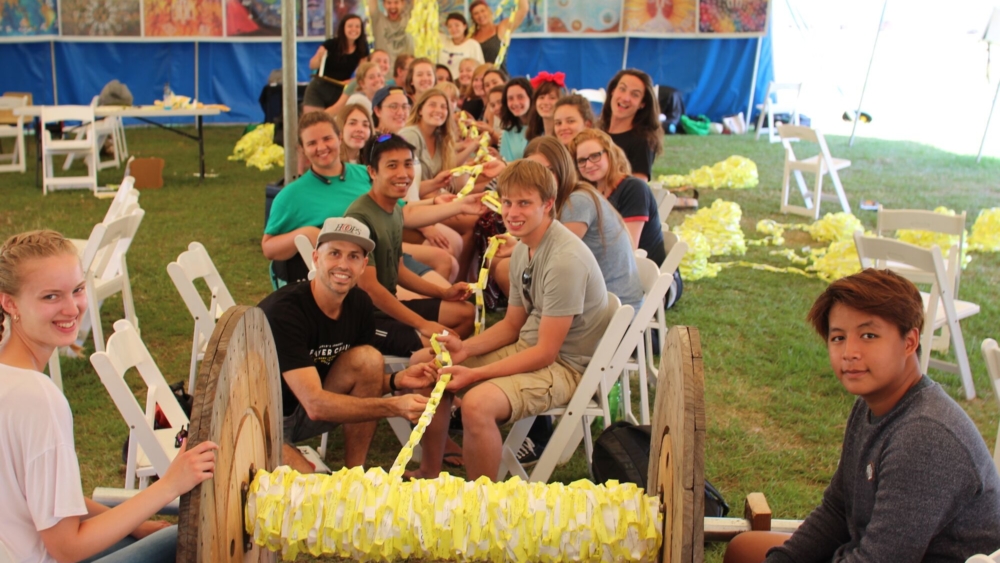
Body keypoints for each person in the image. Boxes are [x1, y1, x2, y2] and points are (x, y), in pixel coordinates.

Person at [725, 268, 1000, 563]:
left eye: (869, 335)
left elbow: (882, 559)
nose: (849, 352)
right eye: (838, 337)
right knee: (745, 548)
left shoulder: (925, 435)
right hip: (869, 549)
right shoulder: (871, 405)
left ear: (910, 342)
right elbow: (837, 509)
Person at [0, 229, 218, 563]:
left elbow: (46, 499)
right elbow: (67, 548)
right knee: (195, 537)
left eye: (77, 290)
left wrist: (138, 524)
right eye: (50, 297)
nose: (72, 308)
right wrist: (170, 485)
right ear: (9, 302)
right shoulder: (38, 399)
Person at [409, 159, 611, 482]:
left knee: (476, 404)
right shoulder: (523, 249)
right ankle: (429, 472)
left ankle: (484, 509)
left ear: (548, 205)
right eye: (506, 202)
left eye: (523, 203)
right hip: (530, 347)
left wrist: (477, 373)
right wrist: (462, 349)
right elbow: (511, 326)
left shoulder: (565, 261)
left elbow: (546, 353)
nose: (512, 212)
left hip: (565, 367)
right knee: (434, 364)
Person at [258, 218, 438, 474]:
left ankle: (354, 476)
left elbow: (363, 382)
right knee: (309, 494)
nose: (343, 264)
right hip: (261, 422)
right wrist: (393, 406)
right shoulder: (284, 313)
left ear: (364, 265)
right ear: (316, 258)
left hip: (303, 410)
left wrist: (399, 380)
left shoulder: (359, 303)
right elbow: (316, 405)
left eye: (354, 256)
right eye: (334, 253)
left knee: (368, 359)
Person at [346, 134, 477, 357]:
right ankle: (417, 383)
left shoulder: (394, 210)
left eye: (408, 164)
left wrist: (445, 292)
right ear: (372, 172)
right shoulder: (359, 218)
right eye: (392, 165)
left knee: (466, 314)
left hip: (388, 307)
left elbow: (399, 271)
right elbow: (370, 289)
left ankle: (429, 377)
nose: (403, 174)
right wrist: (423, 324)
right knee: (438, 343)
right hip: (364, 319)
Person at [263, 111, 373, 287]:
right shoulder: (291, 195)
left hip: (385, 257)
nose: (321, 147)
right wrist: (305, 233)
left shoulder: (366, 174)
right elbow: (268, 248)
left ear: (339, 137)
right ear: (302, 149)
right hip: (348, 278)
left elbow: (400, 210)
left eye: (327, 138)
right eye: (312, 143)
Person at [571, 128, 665, 266]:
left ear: (610, 154)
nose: (589, 164)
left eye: (595, 156)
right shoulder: (591, 193)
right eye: (582, 160)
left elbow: (627, 249)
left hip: (640, 278)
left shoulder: (634, 188)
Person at [600, 69, 663, 181]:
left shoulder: (642, 142)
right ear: (613, 91)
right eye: (622, 89)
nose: (625, 98)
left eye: (635, 95)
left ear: (642, 104)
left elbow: (637, 190)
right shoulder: (596, 131)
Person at [303, 15, 369, 115]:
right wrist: (319, 56)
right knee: (312, 120)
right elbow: (312, 65)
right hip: (320, 87)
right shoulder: (331, 44)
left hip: (342, 90)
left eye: (357, 26)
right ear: (343, 28)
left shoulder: (363, 47)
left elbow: (363, 72)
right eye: (350, 26)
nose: (354, 29)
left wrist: (350, 82)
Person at [468, 0, 528, 73]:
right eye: (476, 13)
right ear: (473, 17)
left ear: (489, 11)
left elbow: (523, 10)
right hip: (479, 81)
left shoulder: (502, 28)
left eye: (482, 11)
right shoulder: (471, 37)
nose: (480, 15)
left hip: (500, 79)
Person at [438, 13, 484, 81]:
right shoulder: (444, 40)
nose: (453, 29)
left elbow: (480, 69)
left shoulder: (473, 45)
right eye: (450, 26)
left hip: (464, 83)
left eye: (457, 25)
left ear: (464, 26)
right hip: (443, 83)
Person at [366, 0, 413, 65]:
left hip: (406, 72)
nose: (392, 6)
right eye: (389, 3)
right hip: (383, 73)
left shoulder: (409, 17)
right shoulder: (378, 20)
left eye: (396, 2)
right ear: (383, 4)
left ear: (403, 3)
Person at [498, 77, 533, 162]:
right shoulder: (508, 132)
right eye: (510, 98)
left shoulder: (543, 127)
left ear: (531, 98)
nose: (515, 103)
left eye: (520, 97)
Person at [525, 71, 567, 140]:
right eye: (541, 97)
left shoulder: (565, 137)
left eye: (552, 98)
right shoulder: (535, 134)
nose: (546, 102)